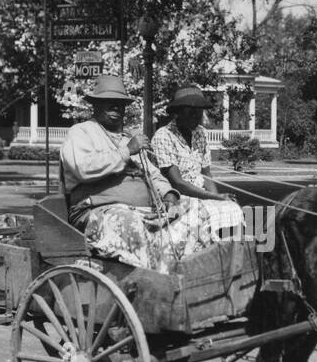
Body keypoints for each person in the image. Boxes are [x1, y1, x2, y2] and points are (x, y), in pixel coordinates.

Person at [59, 75, 218, 273]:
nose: (116, 108)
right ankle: (152, 283)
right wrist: (127, 151)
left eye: (120, 104)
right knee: (134, 225)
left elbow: (154, 175)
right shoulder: (81, 132)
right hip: (97, 210)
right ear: (95, 105)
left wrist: (168, 194)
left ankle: (188, 275)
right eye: (109, 103)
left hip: (140, 208)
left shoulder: (127, 137)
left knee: (198, 211)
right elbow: (83, 168)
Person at [151, 85, 245, 237]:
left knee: (232, 209)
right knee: (203, 216)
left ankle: (230, 254)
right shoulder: (164, 135)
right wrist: (215, 197)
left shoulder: (200, 132)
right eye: (190, 110)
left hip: (202, 195)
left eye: (199, 110)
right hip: (177, 197)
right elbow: (177, 183)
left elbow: (206, 173)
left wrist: (219, 200)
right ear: (178, 112)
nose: (196, 115)